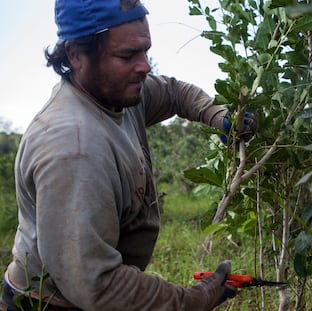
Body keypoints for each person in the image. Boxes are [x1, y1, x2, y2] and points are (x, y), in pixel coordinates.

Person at [0, 0, 257, 310]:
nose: (145, 65)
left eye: (145, 50)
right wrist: (194, 300)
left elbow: (174, 92)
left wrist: (218, 115)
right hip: (50, 302)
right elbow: (97, 284)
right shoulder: (73, 150)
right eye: (127, 55)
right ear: (76, 54)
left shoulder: (118, 94)